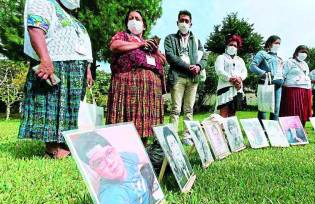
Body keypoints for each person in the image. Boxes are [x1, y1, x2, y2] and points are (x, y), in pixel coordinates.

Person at [19, 0, 93, 159]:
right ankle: (53, 149)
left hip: (75, 68)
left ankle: (66, 145)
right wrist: (45, 59)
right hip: (55, 63)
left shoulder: (71, 16)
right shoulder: (43, 2)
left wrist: (87, 69)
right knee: (53, 106)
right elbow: (35, 29)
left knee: (70, 109)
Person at [106, 10, 166, 146]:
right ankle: (124, 147)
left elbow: (163, 61)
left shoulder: (149, 43)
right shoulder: (123, 36)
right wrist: (139, 44)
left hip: (149, 90)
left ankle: (142, 146)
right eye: (130, 18)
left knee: (144, 121)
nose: (133, 21)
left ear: (144, 26)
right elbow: (114, 46)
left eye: (137, 19)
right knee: (128, 119)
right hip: (128, 85)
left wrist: (155, 50)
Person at [74, 132, 158, 204]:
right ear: (94, 170)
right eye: (99, 162)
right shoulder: (111, 196)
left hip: (147, 191)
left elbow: (145, 158)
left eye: (109, 152)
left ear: (114, 150)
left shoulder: (123, 156)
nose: (110, 162)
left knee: (148, 167)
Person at [164, 10, 208, 144]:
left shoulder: (197, 41)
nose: (184, 23)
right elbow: (171, 57)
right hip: (177, 77)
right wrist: (188, 66)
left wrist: (199, 66)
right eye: (181, 20)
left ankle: (187, 137)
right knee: (176, 109)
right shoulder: (170, 38)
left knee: (189, 110)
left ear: (191, 24)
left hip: (193, 79)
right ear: (177, 23)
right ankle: (172, 137)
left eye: (186, 21)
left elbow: (204, 57)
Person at [250, 35, 284, 121]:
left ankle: (274, 131)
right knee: (264, 109)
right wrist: (263, 73)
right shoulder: (262, 53)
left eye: (279, 43)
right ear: (270, 43)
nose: (278, 45)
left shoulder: (279, 58)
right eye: (276, 43)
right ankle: (263, 130)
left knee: (276, 110)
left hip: (278, 86)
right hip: (266, 84)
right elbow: (252, 66)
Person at [215, 35, 247, 117]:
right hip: (225, 88)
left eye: (235, 46)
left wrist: (240, 79)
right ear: (227, 46)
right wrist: (230, 78)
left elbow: (244, 72)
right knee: (223, 114)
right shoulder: (221, 57)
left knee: (232, 114)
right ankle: (222, 129)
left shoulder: (240, 60)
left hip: (237, 89)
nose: (233, 47)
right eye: (231, 45)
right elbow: (219, 70)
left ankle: (231, 129)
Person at [280, 45, 312, 126]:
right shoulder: (289, 62)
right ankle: (291, 128)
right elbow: (283, 74)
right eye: (302, 51)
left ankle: (302, 127)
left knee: (304, 110)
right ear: (296, 52)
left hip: (306, 88)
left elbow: (306, 75)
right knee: (293, 109)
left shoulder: (305, 64)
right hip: (292, 88)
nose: (304, 54)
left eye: (305, 52)